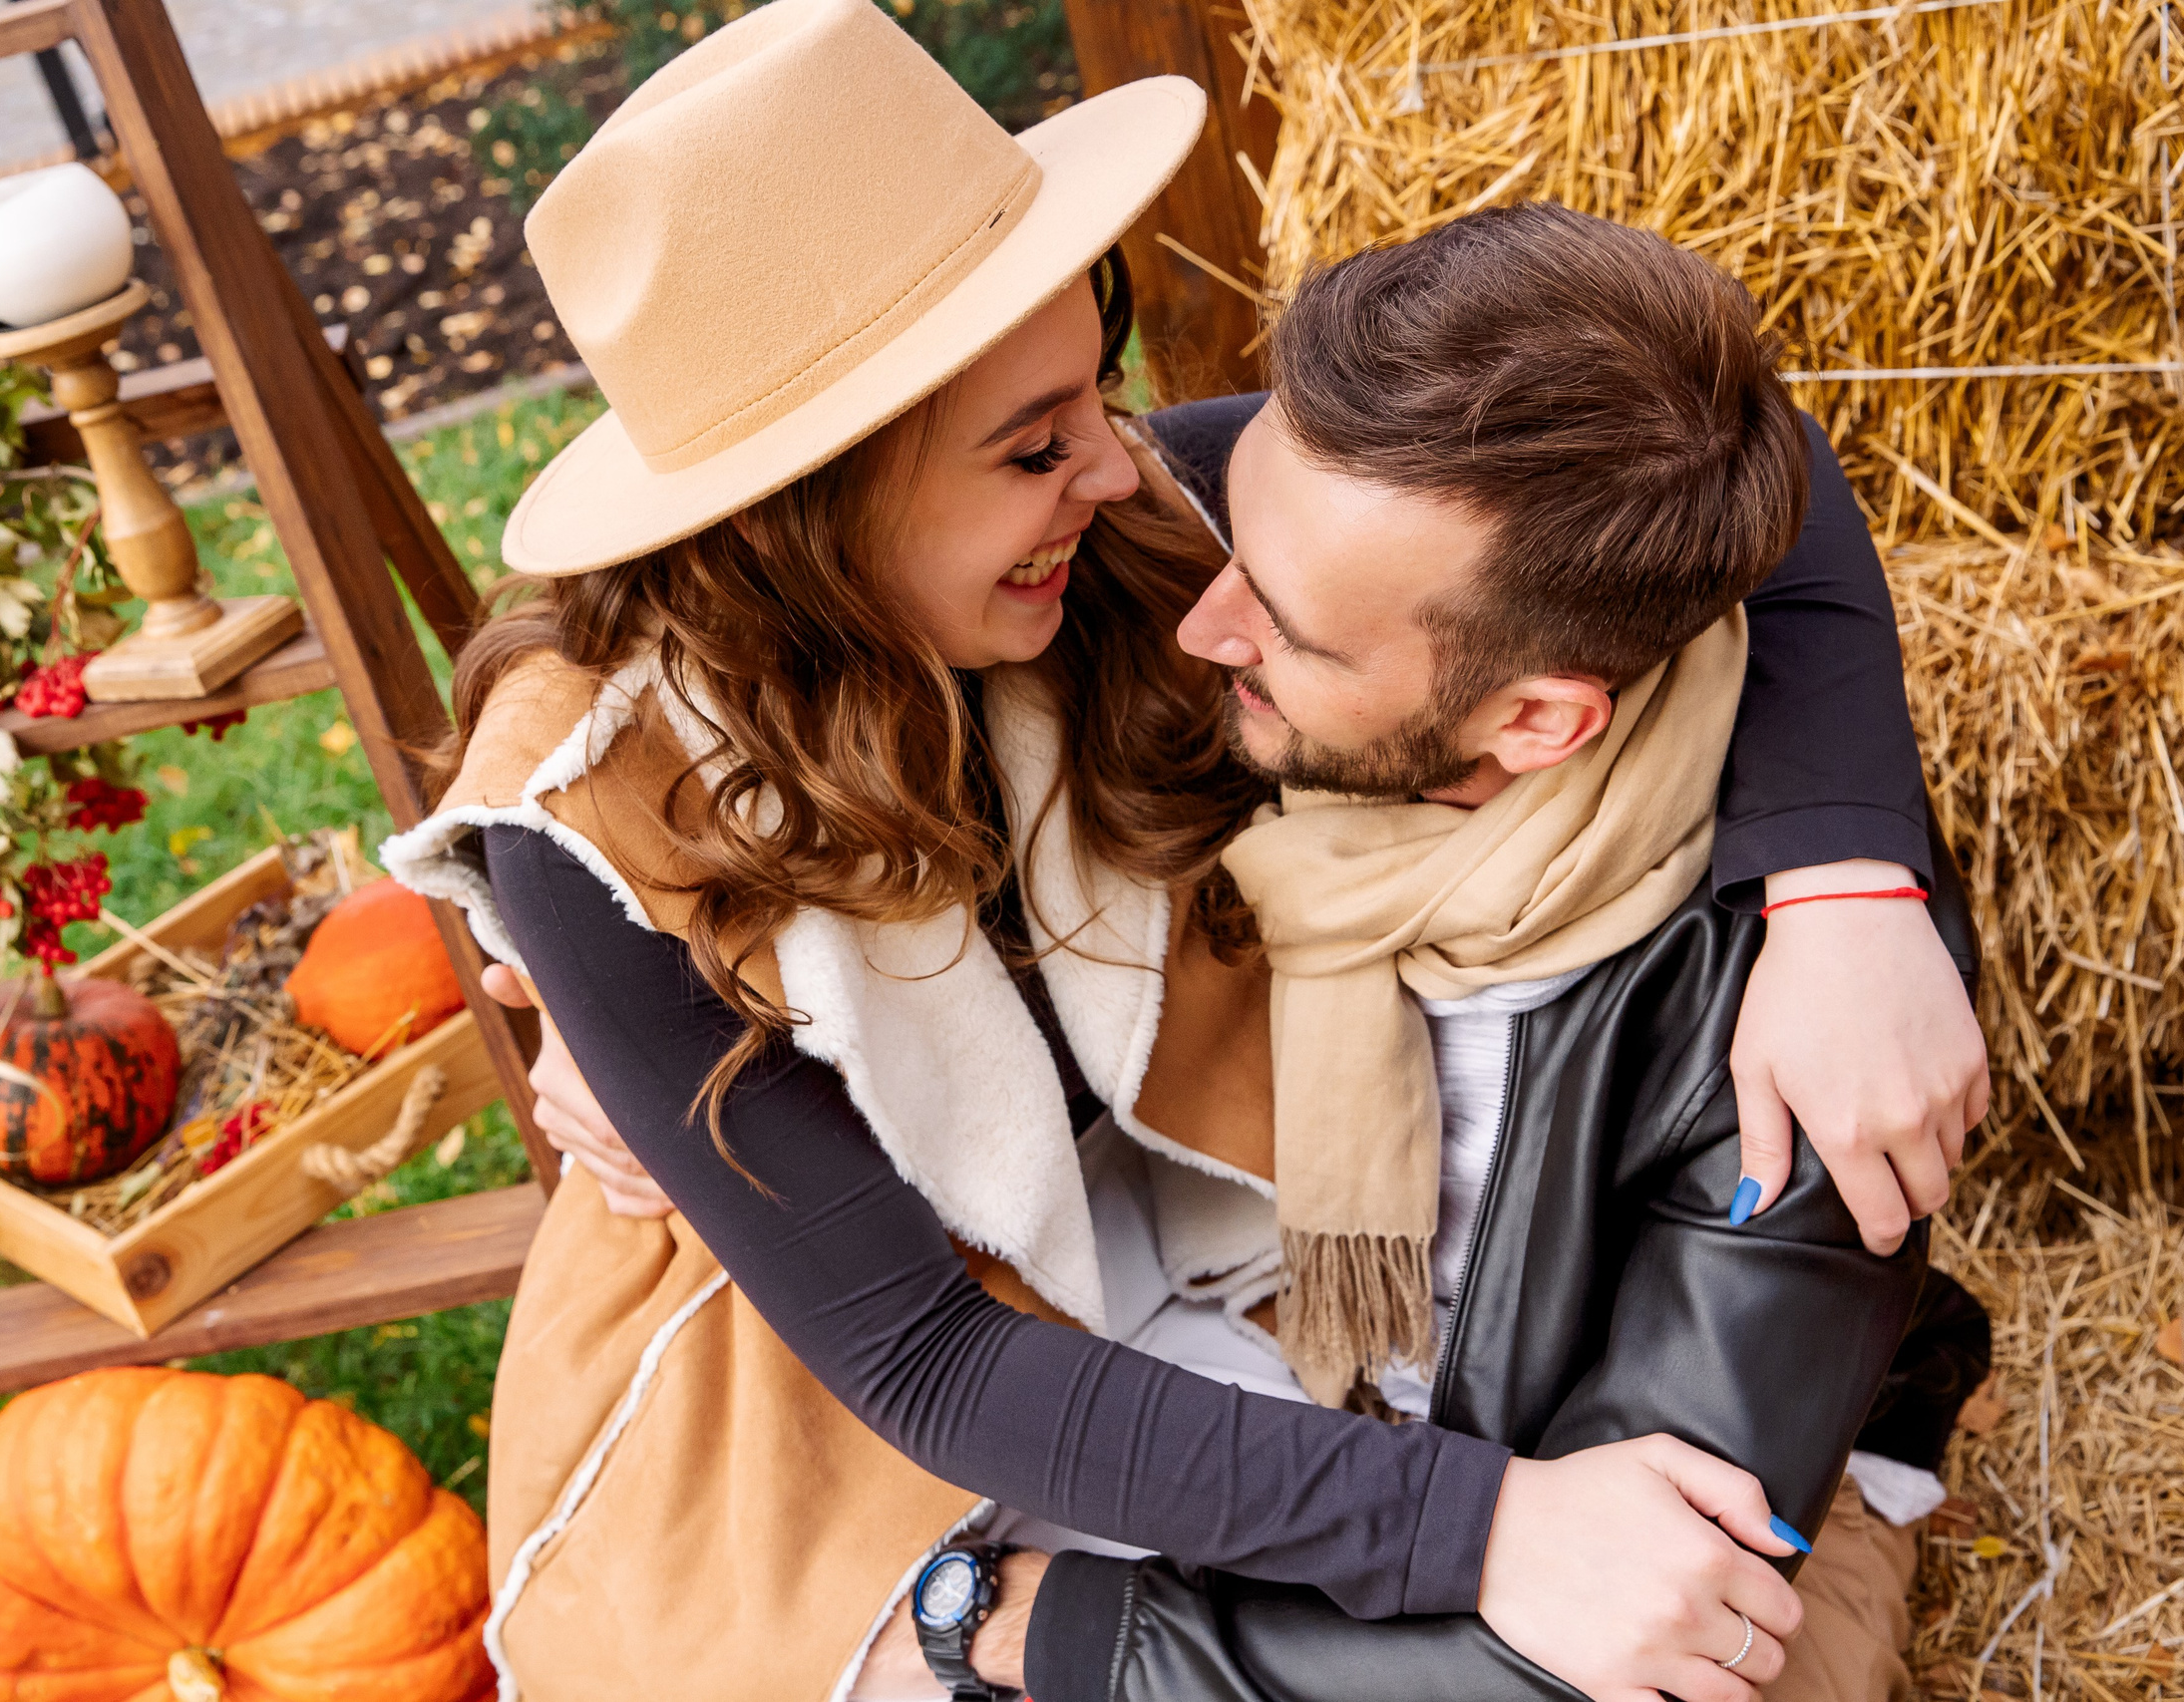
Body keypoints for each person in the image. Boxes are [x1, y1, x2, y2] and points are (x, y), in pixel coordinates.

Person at [380, 4, 1986, 1698]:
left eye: (1097, 381)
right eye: (1031, 445)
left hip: (1181, 1241)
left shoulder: (1116, 530)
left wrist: (1846, 887)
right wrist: (1491, 1528)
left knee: (1620, 1629)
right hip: (852, 1371)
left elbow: (1732, 462)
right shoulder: (602, 819)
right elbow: (923, 1360)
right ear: (817, 506)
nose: (1114, 461)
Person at [907, 205, 1990, 1702]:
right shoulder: (1311, 657)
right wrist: (587, 966)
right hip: (1307, 1424)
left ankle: (1876, 1501)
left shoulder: (1809, 1052)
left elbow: (1630, 1613)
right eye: (1238, 537)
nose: (1197, 623)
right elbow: (714, 636)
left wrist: (1061, 1634)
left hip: (1591, 1514)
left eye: (1278, 626)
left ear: (1537, 721)